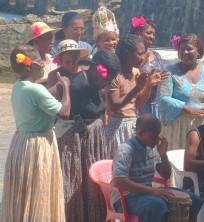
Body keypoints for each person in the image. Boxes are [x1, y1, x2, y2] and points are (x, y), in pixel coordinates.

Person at [0, 45, 70, 221]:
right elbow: (64, 113)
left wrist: (47, 81)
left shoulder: (18, 86)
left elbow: (37, 88)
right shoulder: (36, 90)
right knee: (39, 189)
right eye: (40, 62)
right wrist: (66, 87)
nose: (43, 65)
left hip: (21, 141)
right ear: (31, 66)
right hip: (39, 144)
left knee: (24, 191)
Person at [51, 50, 121, 222]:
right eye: (107, 79)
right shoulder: (74, 84)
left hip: (93, 139)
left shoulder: (98, 84)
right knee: (74, 183)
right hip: (73, 141)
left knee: (91, 185)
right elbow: (46, 99)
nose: (107, 84)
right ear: (97, 70)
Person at [111, 114, 204, 222]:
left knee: (193, 200)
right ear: (140, 133)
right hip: (126, 198)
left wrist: (163, 155)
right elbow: (118, 181)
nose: (157, 139)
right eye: (153, 136)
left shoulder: (152, 148)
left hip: (147, 193)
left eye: (158, 135)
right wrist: (152, 191)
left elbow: (166, 175)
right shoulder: (126, 150)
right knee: (158, 207)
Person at [104, 34, 168, 159]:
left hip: (134, 126)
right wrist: (137, 88)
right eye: (140, 54)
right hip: (117, 128)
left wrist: (149, 84)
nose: (144, 57)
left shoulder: (136, 72)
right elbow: (115, 105)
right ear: (127, 54)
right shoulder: (114, 75)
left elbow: (140, 103)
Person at [159, 33, 204, 150]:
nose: (185, 53)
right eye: (182, 49)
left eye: (189, 49)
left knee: (202, 160)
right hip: (179, 126)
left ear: (198, 51)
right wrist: (187, 108)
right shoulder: (169, 72)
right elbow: (163, 99)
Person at [130, 16, 167, 118]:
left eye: (154, 34)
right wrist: (142, 63)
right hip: (138, 105)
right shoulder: (131, 55)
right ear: (138, 33)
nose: (152, 37)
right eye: (149, 33)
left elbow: (164, 75)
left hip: (155, 105)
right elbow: (128, 76)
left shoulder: (156, 55)